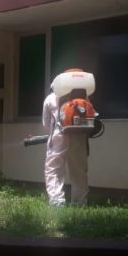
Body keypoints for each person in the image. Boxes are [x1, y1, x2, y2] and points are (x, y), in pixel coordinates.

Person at [42, 76, 91, 206]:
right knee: (79, 170)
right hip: (79, 137)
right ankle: (80, 202)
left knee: (54, 170)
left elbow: (46, 124)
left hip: (59, 138)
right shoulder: (83, 98)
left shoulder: (50, 98)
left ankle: (57, 203)